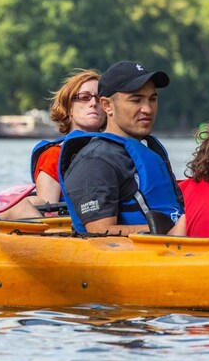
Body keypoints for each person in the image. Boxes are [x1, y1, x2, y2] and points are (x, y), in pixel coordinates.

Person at [59, 60, 183, 235]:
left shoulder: (151, 152)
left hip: (178, 247)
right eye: (136, 100)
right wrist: (172, 230)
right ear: (107, 105)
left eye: (152, 99)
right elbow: (99, 232)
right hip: (140, 253)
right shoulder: (94, 161)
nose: (147, 109)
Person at [30, 70, 105, 204]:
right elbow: (48, 212)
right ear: (69, 107)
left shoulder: (114, 151)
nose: (94, 103)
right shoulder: (54, 156)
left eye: (100, 99)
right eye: (84, 97)